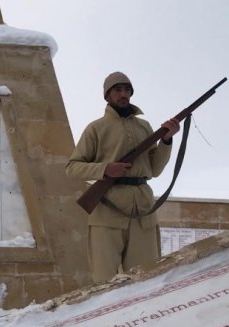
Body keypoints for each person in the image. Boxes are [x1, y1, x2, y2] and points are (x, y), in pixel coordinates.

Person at [65, 71, 180, 283]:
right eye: (117, 90)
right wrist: (105, 169)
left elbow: (154, 169)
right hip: (108, 210)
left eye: (127, 90)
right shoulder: (96, 128)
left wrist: (166, 141)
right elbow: (72, 167)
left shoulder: (144, 127)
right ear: (107, 95)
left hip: (142, 209)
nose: (123, 94)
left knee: (147, 278)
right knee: (104, 281)